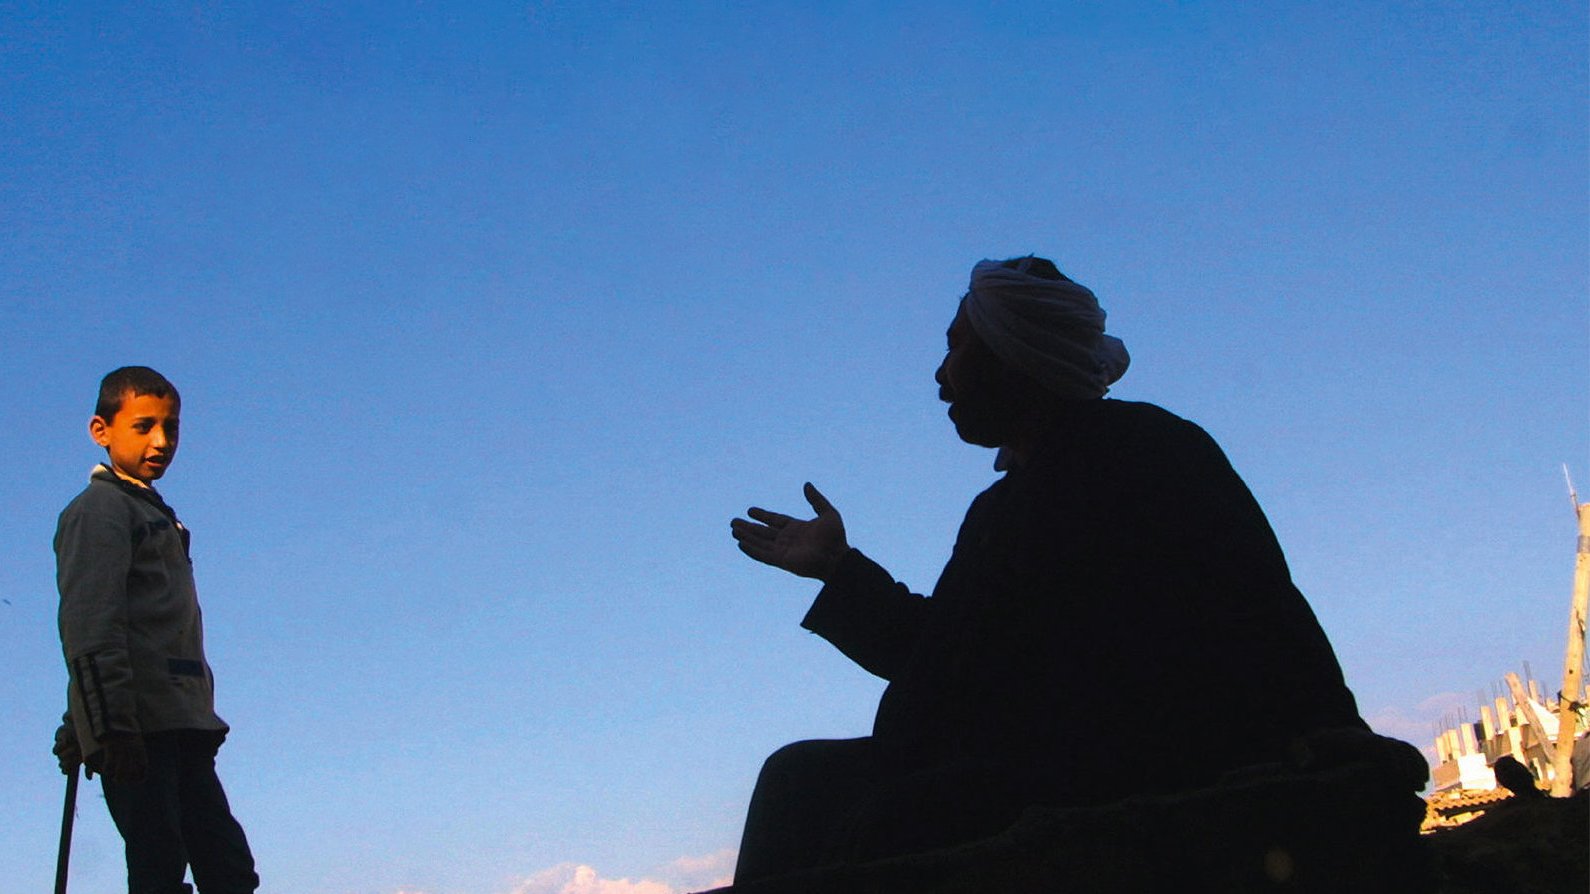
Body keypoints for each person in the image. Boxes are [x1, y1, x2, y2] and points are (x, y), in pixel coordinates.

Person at [728, 257, 1428, 886]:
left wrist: (845, 581)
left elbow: (947, 673)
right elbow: (956, 657)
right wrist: (838, 571)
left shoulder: (1095, 470)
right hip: (1115, 763)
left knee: (812, 789)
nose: (941, 374)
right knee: (817, 784)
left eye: (957, 347)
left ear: (1012, 356)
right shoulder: (1116, 455)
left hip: (1150, 776)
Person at [51, 366, 258, 894]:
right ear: (102, 430)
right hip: (137, 731)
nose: (161, 441)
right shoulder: (99, 510)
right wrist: (103, 725)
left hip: (180, 725)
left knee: (228, 870)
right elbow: (92, 623)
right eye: (143, 426)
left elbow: (151, 631)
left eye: (172, 428)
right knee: (159, 865)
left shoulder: (152, 514)